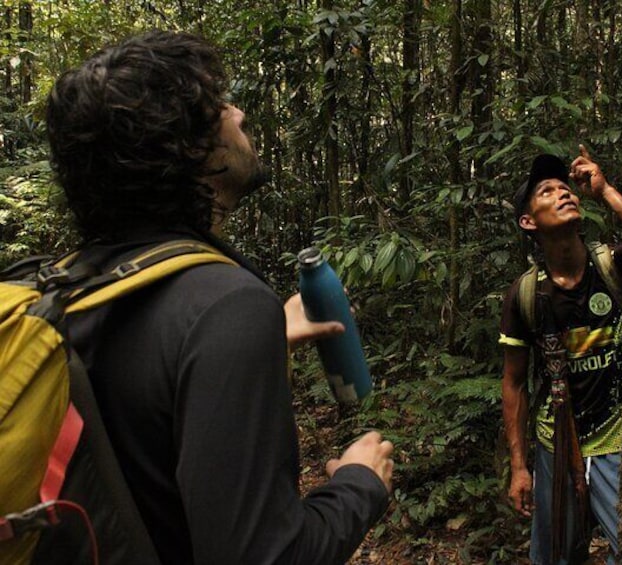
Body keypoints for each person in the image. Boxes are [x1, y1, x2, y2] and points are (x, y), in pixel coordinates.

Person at [46, 30, 393, 564]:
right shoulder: (222, 305)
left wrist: (243, 345)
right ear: (190, 147)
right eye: (218, 103)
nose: (237, 111)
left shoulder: (64, 289)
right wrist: (358, 484)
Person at [500, 148, 622, 565]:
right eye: (547, 191)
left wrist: (605, 190)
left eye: (565, 187)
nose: (563, 193)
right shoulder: (524, 295)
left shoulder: (612, 266)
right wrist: (520, 466)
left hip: (620, 437)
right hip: (556, 443)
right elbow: (514, 382)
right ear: (528, 221)